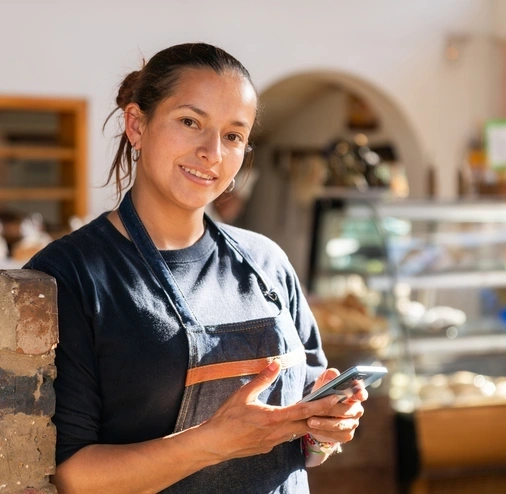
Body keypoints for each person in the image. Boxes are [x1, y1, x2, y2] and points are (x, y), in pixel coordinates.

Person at [25, 42, 367, 493]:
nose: (212, 152)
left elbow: (305, 437)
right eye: (190, 122)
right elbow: (71, 478)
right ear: (136, 125)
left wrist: (326, 430)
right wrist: (212, 443)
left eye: (233, 135)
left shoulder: (267, 262)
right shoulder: (70, 276)